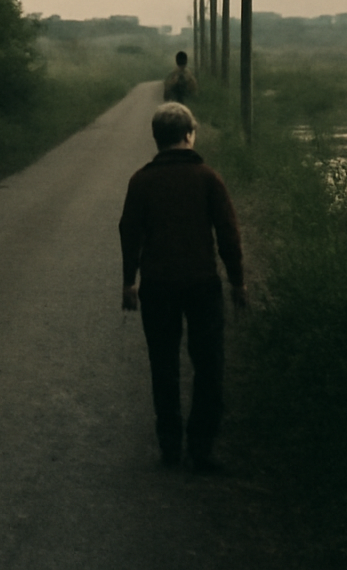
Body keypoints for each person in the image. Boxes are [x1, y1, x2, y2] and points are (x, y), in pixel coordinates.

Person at [118, 102, 247, 472]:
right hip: (202, 284)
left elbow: (129, 233)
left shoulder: (141, 180)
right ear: (190, 134)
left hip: (157, 286)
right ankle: (202, 449)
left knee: (164, 366)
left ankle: (170, 447)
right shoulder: (208, 178)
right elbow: (228, 234)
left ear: (156, 138)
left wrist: (129, 282)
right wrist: (238, 282)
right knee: (209, 366)